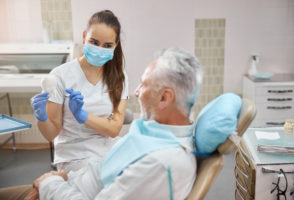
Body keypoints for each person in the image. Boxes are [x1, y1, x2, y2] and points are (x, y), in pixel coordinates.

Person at [0, 47, 203, 200]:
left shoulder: (162, 163)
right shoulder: (154, 136)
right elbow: (107, 167)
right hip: (68, 183)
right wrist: (64, 178)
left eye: (144, 85)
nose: (136, 92)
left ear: (164, 98)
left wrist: (49, 184)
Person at [30, 10, 128, 172]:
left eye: (107, 45)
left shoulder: (119, 77)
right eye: (94, 42)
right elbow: (50, 134)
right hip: (74, 154)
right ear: (84, 37)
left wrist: (83, 116)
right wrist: (41, 117)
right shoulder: (60, 76)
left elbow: (114, 129)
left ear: (115, 45)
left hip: (109, 149)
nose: (99, 49)